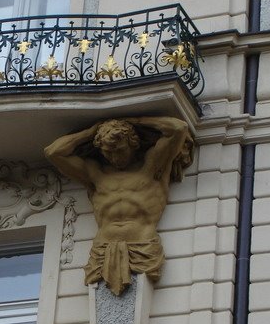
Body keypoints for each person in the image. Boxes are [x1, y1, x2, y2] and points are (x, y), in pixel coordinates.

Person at [44, 117, 193, 295]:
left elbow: (178, 128)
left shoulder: (152, 167)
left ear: (133, 143)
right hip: (102, 250)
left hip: (143, 245)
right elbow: (53, 153)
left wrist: (136, 121)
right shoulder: (96, 174)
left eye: (119, 150)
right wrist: (90, 132)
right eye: (108, 153)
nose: (114, 157)